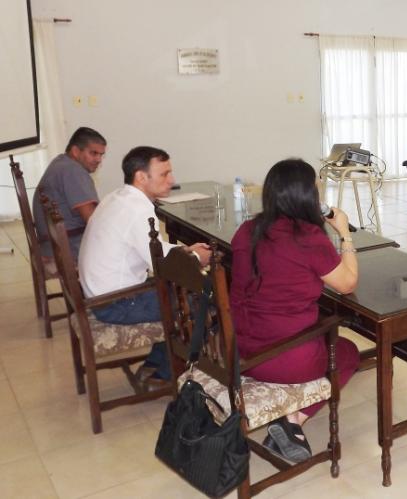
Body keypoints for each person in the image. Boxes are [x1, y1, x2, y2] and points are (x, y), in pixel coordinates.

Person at [229, 159, 360, 463]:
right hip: (283, 359)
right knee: (348, 352)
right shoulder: (308, 238)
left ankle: (287, 418)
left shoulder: (247, 230)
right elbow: (347, 283)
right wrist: (345, 235)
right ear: (307, 197)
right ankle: (293, 419)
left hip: (241, 352)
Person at [79, 146, 212, 382]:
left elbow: (153, 248)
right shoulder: (137, 209)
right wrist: (195, 257)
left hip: (102, 293)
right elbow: (160, 264)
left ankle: (157, 362)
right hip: (116, 302)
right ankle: (165, 374)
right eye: (164, 174)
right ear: (141, 177)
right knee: (203, 300)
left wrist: (185, 250)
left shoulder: (119, 197)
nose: (171, 180)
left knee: (185, 289)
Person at [32, 127, 106, 267]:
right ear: (76, 151)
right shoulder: (73, 171)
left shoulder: (61, 162)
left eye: (101, 155)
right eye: (93, 153)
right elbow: (92, 219)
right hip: (67, 247)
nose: (98, 160)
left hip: (53, 244)